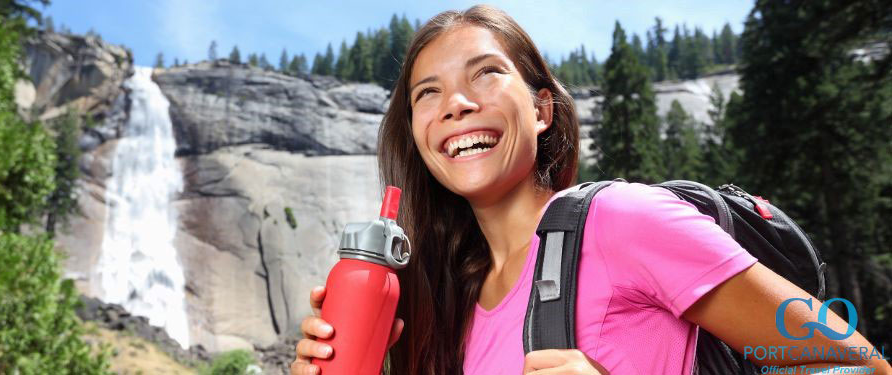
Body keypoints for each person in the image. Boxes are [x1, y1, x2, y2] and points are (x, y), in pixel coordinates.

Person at [291, 5, 892, 375]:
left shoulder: (623, 220)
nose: (457, 104)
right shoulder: (443, 308)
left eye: (486, 74)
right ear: (417, 134)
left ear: (542, 109)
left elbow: (856, 367)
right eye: (428, 92)